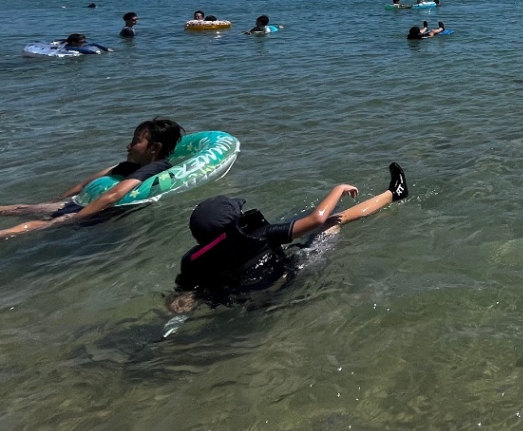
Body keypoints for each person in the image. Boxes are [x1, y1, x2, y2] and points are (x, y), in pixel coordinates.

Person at [171, 164, 409, 310]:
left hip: (253, 299)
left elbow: (182, 297)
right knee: (333, 222)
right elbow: (316, 218)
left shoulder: (194, 260)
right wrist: (338, 189)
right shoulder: (261, 235)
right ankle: (394, 194)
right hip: (292, 278)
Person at [0, 118, 184, 239]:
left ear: (154, 148)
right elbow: (84, 184)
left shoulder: (156, 168)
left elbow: (114, 195)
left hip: (94, 213)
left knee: (37, 225)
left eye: (136, 142)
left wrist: (75, 219)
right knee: (23, 208)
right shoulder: (128, 166)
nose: (128, 146)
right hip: (79, 203)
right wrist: (57, 200)